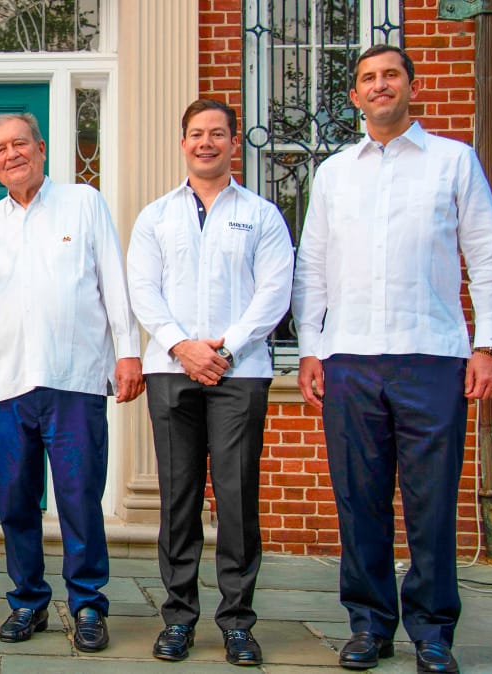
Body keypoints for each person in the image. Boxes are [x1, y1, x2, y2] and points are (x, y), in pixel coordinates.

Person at [292, 45, 492, 674]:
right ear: (354, 96)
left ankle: (433, 632)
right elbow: (313, 268)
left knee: (431, 502)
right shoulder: (334, 172)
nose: (380, 85)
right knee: (359, 500)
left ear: (410, 86)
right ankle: (368, 624)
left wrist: (488, 343)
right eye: (367, 78)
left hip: (432, 357)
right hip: (350, 359)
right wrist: (310, 348)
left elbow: (487, 255)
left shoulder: (453, 161)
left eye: (390, 75)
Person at [0, 112, 144, 653]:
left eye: (20, 143)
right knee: (15, 501)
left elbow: (113, 281)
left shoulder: (83, 203)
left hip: (73, 378)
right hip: (6, 383)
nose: (11, 154)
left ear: (40, 148)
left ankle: (87, 605)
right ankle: (28, 601)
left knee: (80, 498)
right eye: (0, 149)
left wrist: (128, 352)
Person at [127, 98, 294, 667]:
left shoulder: (262, 215)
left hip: (239, 372)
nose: (206, 143)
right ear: (183, 143)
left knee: (237, 497)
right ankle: (178, 618)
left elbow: (274, 292)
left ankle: (237, 623)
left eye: (217, 134)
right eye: (196, 134)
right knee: (179, 498)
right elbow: (143, 290)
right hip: (171, 371)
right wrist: (182, 346)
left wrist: (223, 348)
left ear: (233, 143)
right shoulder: (156, 216)